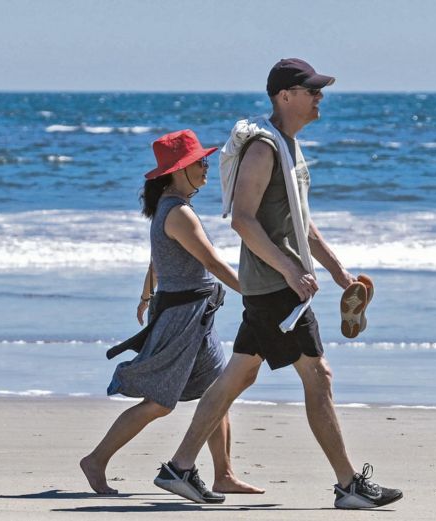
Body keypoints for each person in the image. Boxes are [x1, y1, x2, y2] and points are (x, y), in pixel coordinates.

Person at [152, 59, 403, 509]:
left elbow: (302, 224)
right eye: (311, 90)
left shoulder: (288, 147)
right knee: (318, 375)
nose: (319, 97)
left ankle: (179, 468)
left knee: (238, 375)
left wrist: (338, 272)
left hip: (275, 285)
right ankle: (349, 485)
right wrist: (290, 272)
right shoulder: (264, 149)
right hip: (275, 288)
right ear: (284, 96)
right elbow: (243, 221)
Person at [80, 129, 263, 499]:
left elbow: (158, 257)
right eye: (201, 163)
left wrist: (146, 293)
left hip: (196, 314)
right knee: (161, 402)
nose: (207, 168)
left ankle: (223, 473)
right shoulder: (178, 212)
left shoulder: (172, 205)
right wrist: (258, 294)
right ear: (180, 170)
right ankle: (96, 460)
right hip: (181, 319)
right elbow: (210, 261)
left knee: (217, 391)